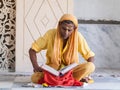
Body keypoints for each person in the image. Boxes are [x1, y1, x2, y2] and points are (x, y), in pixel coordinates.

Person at [29, 14, 95, 84]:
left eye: (69, 30)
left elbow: (90, 56)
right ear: (59, 25)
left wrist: (86, 74)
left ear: (74, 29)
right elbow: (32, 50)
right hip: (53, 72)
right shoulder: (50, 34)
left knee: (90, 66)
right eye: (64, 29)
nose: (66, 33)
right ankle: (71, 80)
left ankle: (58, 81)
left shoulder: (78, 37)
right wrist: (36, 66)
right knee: (35, 77)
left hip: (71, 71)